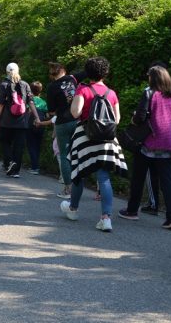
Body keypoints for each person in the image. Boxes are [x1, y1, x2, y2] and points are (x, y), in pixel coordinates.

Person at [60, 57, 127, 233]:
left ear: (88, 72)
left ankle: (73, 209)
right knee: (103, 177)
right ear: (105, 72)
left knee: (79, 173)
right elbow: (117, 119)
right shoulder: (111, 93)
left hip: (85, 137)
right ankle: (106, 218)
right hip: (107, 139)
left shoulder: (83, 89)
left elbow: (76, 113)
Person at [118, 65, 171, 230]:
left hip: (149, 141)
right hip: (168, 141)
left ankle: (132, 210)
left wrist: (133, 120)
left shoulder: (149, 93)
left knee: (138, 176)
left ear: (153, 78)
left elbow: (140, 117)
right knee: (167, 181)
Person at [46, 63, 86, 198]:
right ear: (63, 70)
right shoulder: (74, 78)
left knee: (64, 155)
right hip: (78, 120)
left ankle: (68, 189)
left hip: (63, 122)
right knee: (80, 153)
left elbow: (51, 110)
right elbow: (89, 72)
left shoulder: (51, 87)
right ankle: (81, 185)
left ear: (52, 74)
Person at [0, 63, 41, 178]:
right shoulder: (25, 84)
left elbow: (0, 104)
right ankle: (16, 171)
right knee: (19, 146)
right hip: (22, 121)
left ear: (6, 72)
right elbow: (31, 102)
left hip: (6, 121)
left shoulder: (4, 85)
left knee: (5, 142)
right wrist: (37, 117)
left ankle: (10, 162)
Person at [26, 81, 48, 175]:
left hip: (31, 123)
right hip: (41, 123)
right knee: (38, 145)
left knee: (31, 145)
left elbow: (28, 111)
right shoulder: (43, 102)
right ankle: (36, 165)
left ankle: (34, 167)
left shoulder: (29, 100)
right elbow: (47, 115)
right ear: (40, 91)